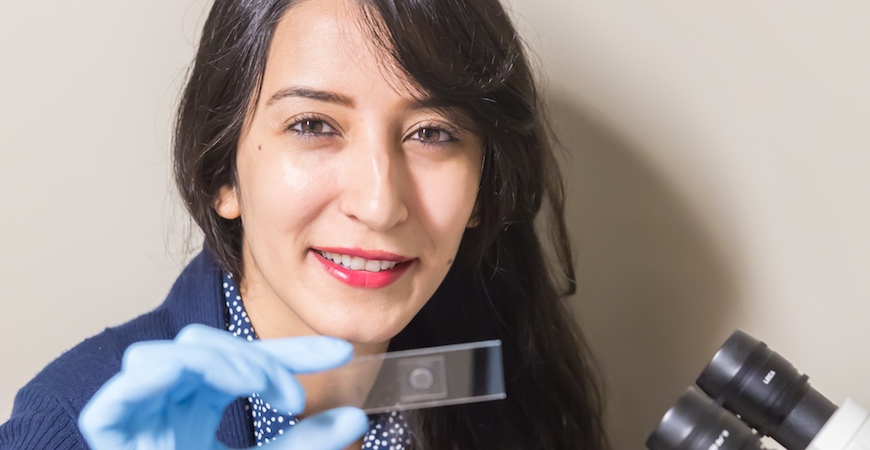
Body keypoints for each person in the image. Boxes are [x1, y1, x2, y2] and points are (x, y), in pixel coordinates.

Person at [0, 0, 610, 448]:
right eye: (313, 125)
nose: (379, 204)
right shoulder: (71, 425)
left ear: (483, 187)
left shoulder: (505, 386)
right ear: (223, 175)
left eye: (431, 133)